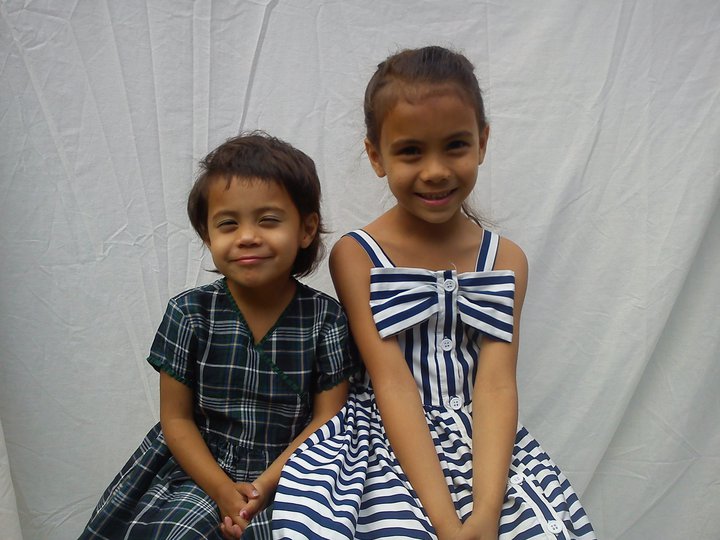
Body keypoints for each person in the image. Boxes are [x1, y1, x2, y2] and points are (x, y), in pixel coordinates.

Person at [272, 46, 596, 539]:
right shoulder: (357, 255)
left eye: (456, 145)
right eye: (410, 151)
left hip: (485, 449)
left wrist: (485, 513)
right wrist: (446, 524)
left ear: (482, 142)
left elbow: (496, 386)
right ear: (376, 156)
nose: (436, 170)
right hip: (384, 444)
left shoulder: (506, 259)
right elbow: (392, 384)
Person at [79, 133, 355, 539]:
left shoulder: (326, 319)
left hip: (293, 470)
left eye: (268, 220)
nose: (247, 236)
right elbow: (176, 419)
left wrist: (262, 488)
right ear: (208, 236)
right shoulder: (189, 313)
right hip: (200, 471)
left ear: (306, 229)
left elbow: (327, 417)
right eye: (228, 224)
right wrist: (223, 491)